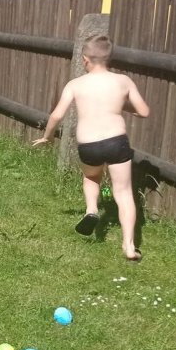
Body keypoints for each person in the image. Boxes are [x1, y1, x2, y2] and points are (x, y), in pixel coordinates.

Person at [34, 34, 150, 261]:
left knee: (91, 177)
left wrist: (47, 137)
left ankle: (91, 210)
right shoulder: (123, 81)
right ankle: (129, 246)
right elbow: (144, 111)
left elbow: (56, 115)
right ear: (109, 58)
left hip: (89, 145)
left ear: (85, 59)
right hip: (117, 142)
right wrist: (120, 106)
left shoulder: (76, 84)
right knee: (124, 192)